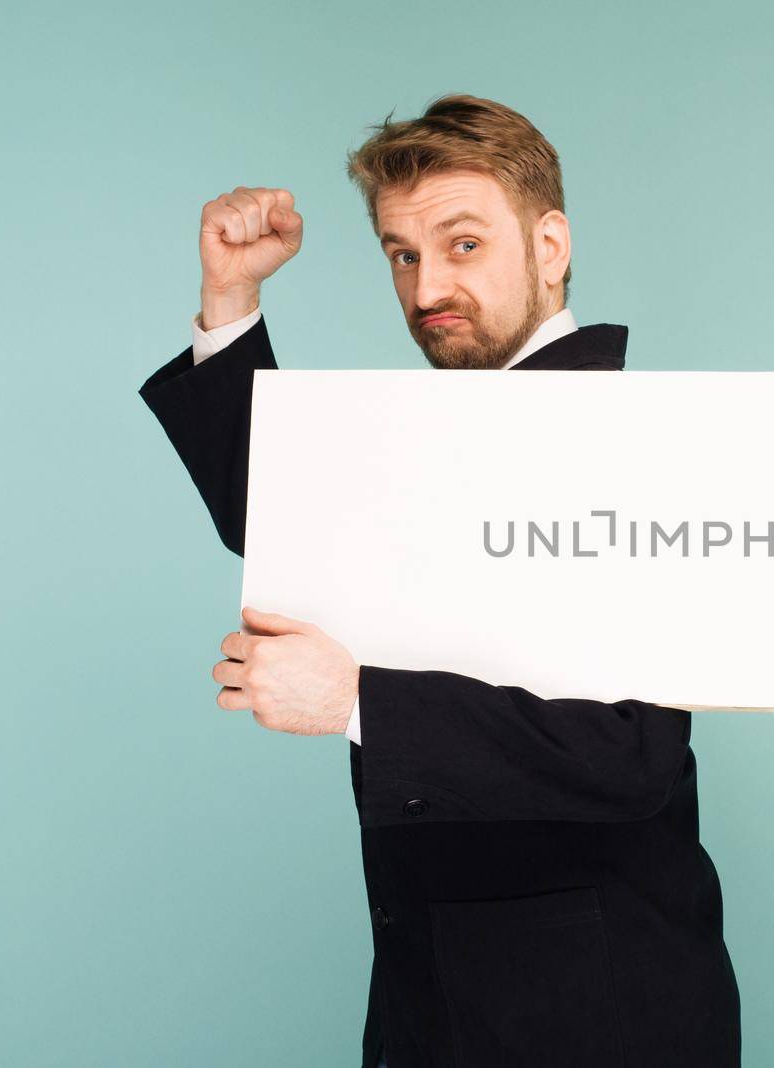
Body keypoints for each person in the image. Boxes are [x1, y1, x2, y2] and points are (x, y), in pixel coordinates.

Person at [137, 94, 741, 1068]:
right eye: (402, 255)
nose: (424, 291)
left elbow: (633, 750)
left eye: (462, 245)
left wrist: (356, 700)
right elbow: (282, 530)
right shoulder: (438, 430)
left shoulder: (636, 441)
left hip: (593, 1020)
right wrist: (229, 303)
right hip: (432, 996)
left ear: (549, 246)